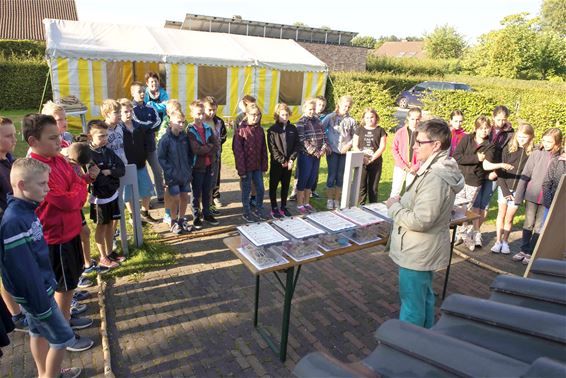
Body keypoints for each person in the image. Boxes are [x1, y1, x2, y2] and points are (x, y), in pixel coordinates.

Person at [0, 158, 82, 378]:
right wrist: (42, 303)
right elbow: (22, 270)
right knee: (64, 338)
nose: (47, 189)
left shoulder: (27, 211)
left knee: (37, 333)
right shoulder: (14, 221)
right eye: (42, 184)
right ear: (22, 186)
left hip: (40, 292)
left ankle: (42, 373)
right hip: (38, 297)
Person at [24, 114, 94, 352]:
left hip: (71, 231)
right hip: (56, 239)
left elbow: (76, 189)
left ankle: (67, 319)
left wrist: (77, 186)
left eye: (58, 136)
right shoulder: (37, 170)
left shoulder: (59, 160)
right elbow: (67, 202)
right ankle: (65, 336)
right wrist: (78, 189)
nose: (59, 142)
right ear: (33, 141)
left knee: (70, 282)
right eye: (52, 138)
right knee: (63, 288)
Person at [385, 119, 464, 328]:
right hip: (423, 249)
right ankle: (425, 342)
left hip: (417, 251)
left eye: (419, 142)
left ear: (436, 145)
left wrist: (394, 206)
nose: (414, 146)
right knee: (423, 298)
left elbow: (421, 220)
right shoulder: (436, 170)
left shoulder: (435, 177)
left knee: (412, 306)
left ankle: (408, 350)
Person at [513, 128, 563, 265]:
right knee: (528, 223)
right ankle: (523, 249)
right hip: (532, 195)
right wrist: (518, 196)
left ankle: (531, 252)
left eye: (549, 141)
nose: (545, 143)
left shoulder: (560, 158)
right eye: (544, 140)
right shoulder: (536, 154)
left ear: (557, 143)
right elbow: (525, 175)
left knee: (539, 226)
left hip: (548, 198)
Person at [472, 105, 515, 247]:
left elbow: (506, 154)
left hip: (494, 171)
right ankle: (473, 231)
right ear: (493, 116)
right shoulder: (486, 128)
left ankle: (477, 232)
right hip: (480, 170)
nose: (501, 122)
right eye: (498, 119)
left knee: (484, 203)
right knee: (474, 203)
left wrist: (495, 172)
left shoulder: (509, 133)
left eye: (504, 119)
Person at [87, 120, 126, 268]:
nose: (105, 139)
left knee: (111, 225)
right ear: (90, 137)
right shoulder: (88, 156)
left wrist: (109, 171)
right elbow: (95, 177)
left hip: (112, 194)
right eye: (101, 136)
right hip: (99, 198)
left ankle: (110, 253)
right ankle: (102, 257)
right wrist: (107, 176)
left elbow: (121, 169)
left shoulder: (108, 151)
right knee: (101, 226)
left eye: (106, 136)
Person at [491, 123, 535, 254]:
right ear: (516, 136)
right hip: (504, 188)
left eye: (525, 137)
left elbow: (530, 176)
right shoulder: (508, 149)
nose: (521, 140)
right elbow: (499, 172)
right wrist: (505, 191)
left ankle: (505, 242)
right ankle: (498, 241)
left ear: (531, 138)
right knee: (501, 215)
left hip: (518, 191)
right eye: (520, 136)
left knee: (509, 218)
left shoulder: (532, 154)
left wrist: (520, 193)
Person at [452, 116, 495, 251]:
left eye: (486, 129)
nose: (484, 131)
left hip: (474, 181)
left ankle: (464, 235)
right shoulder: (467, 139)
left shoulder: (490, 145)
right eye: (481, 128)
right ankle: (459, 235)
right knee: (456, 206)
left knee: (467, 209)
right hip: (460, 178)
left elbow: (486, 164)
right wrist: (476, 158)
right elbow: (457, 156)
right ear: (475, 129)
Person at [0, 117, 26, 332]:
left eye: (14, 134)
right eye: (8, 136)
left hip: (18, 224)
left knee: (18, 268)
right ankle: (16, 314)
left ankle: (22, 307)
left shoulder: (9, 158)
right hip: (4, 227)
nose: (14, 139)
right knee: (6, 271)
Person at [118, 98, 159, 225]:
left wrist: (144, 155)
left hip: (140, 163)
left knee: (147, 189)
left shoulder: (138, 126)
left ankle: (144, 212)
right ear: (119, 113)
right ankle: (132, 216)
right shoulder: (119, 129)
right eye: (125, 111)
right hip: (126, 166)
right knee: (128, 193)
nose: (129, 114)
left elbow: (145, 142)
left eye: (130, 111)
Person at [158, 109, 194, 234]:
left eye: (183, 122)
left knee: (184, 196)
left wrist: (189, 166)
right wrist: (170, 171)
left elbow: (190, 154)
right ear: (171, 122)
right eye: (178, 122)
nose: (181, 125)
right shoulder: (165, 139)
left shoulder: (185, 137)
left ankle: (181, 219)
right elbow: (161, 158)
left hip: (184, 173)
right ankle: (173, 221)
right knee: (175, 198)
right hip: (172, 175)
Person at [233, 103, 268, 222]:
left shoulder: (260, 130)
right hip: (246, 168)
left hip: (257, 166)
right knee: (246, 190)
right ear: (246, 114)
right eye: (253, 115)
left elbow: (264, 149)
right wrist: (241, 170)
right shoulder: (241, 131)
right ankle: (246, 212)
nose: (256, 117)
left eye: (258, 115)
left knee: (260, 189)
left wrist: (264, 166)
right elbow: (238, 152)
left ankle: (258, 209)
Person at [187, 101, 220, 229]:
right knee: (196, 192)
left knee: (207, 191)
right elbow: (196, 149)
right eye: (198, 114)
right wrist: (209, 147)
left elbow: (216, 144)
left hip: (208, 165)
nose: (201, 116)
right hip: (197, 167)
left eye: (202, 113)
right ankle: (196, 215)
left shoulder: (207, 128)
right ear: (192, 114)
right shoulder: (190, 130)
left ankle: (207, 213)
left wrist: (207, 147)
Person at [322, 95, 357, 210]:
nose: (346, 108)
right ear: (339, 104)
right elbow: (321, 129)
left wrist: (348, 145)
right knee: (332, 175)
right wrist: (326, 144)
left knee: (340, 176)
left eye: (348, 106)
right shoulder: (330, 117)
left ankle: (337, 199)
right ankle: (329, 199)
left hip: (344, 152)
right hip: (332, 151)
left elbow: (355, 136)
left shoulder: (351, 120)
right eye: (344, 105)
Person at [131, 82, 163, 202]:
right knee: (140, 174)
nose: (142, 94)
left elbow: (158, 122)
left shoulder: (151, 107)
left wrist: (145, 127)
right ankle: (142, 199)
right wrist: (149, 127)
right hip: (137, 149)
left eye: (143, 91)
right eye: (139, 91)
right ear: (132, 93)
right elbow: (136, 124)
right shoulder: (131, 109)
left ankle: (160, 195)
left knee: (158, 170)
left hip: (150, 146)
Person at [296, 99, 329, 215]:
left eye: (314, 109)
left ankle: (306, 202)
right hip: (306, 155)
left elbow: (324, 135)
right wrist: (314, 151)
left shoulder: (318, 121)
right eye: (310, 109)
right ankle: (299, 203)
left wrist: (324, 147)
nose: (312, 111)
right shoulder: (301, 122)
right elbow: (302, 139)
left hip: (317, 155)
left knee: (311, 179)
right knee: (303, 179)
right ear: (305, 109)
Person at [267, 103, 299, 218]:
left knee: (285, 186)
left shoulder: (293, 129)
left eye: (286, 115)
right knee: (274, 186)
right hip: (277, 164)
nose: (284, 117)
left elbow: (296, 145)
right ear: (277, 115)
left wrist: (291, 160)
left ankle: (283, 206)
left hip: (288, 164)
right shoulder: (272, 130)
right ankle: (274, 207)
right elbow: (272, 148)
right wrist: (281, 160)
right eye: (282, 115)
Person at [352, 108, 387, 204]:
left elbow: (382, 147)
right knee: (361, 186)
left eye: (372, 117)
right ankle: (361, 206)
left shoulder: (381, 130)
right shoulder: (359, 130)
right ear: (363, 118)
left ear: (376, 118)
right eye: (367, 117)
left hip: (375, 162)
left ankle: (373, 206)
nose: (369, 119)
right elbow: (355, 145)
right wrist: (362, 157)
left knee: (373, 187)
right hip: (361, 162)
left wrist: (371, 159)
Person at [156, 99, 183, 225]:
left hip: (180, 164)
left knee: (179, 191)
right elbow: (162, 147)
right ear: (167, 113)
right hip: (169, 164)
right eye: (173, 111)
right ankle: (168, 213)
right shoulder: (165, 125)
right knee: (169, 190)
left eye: (178, 111)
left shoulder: (182, 123)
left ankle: (175, 213)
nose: (176, 113)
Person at [203, 96, 227, 213]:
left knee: (215, 179)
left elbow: (224, 136)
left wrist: (217, 143)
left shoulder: (219, 121)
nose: (212, 112)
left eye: (214, 110)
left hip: (216, 156)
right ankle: (204, 206)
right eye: (209, 110)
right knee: (205, 181)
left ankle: (213, 199)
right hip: (203, 157)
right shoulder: (201, 121)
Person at [390, 107, 422, 198]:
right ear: (408, 118)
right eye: (412, 119)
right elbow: (394, 149)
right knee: (395, 191)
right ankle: (391, 209)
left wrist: (416, 166)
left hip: (414, 168)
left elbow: (424, 152)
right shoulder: (400, 132)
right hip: (400, 167)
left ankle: (407, 210)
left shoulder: (422, 134)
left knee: (410, 192)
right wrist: (403, 165)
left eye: (417, 119)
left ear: (420, 119)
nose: (415, 122)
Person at [542, 139, 566, 219]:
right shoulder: (556, 161)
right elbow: (546, 183)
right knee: (547, 229)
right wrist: (549, 204)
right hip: (553, 202)